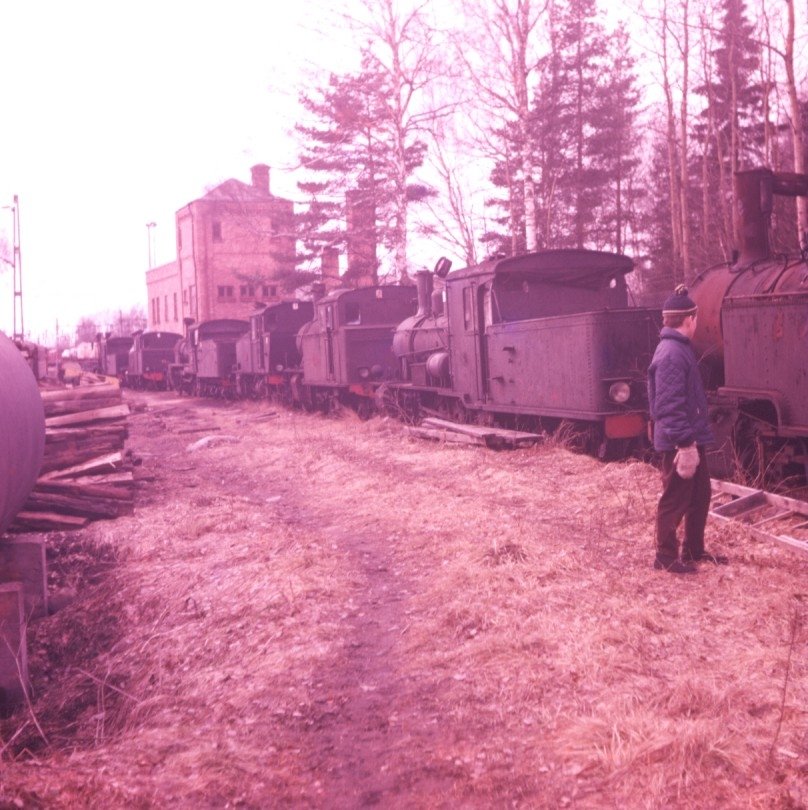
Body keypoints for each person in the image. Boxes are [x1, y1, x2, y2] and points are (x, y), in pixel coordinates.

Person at [647, 285, 728, 574]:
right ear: (689, 320)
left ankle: (694, 550)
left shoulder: (678, 349)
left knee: (699, 494)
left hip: (689, 437)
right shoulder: (671, 353)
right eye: (695, 318)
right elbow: (669, 406)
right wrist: (685, 444)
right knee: (675, 497)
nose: (696, 323)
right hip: (680, 441)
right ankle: (665, 557)